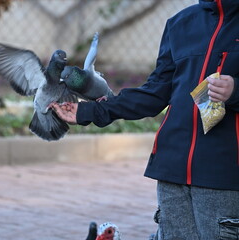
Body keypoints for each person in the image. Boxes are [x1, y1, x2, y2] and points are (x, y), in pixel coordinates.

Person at [50, 0, 239, 239]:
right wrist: (89, 111)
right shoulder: (180, 23)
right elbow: (155, 93)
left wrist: (235, 91)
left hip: (223, 174)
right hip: (173, 169)